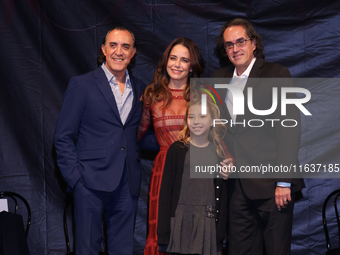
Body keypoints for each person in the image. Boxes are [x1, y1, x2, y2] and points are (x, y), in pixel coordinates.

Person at [212, 18, 305, 255]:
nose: (235, 49)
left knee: (276, 250)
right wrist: (220, 157)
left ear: (253, 43)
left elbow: (288, 129)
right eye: (229, 45)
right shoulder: (219, 78)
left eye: (240, 41)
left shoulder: (277, 73)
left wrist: (284, 181)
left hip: (273, 186)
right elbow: (217, 129)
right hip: (235, 188)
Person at [54, 27, 146, 255]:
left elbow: (139, 135)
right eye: (113, 45)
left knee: (123, 250)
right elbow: (63, 136)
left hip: (127, 183)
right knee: (86, 249)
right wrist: (76, 179)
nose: (119, 51)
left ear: (133, 52)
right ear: (103, 49)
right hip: (90, 182)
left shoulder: (142, 89)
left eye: (125, 46)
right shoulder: (82, 84)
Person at [138, 37, 205, 255]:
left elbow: (217, 137)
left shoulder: (203, 95)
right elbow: (136, 135)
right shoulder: (152, 95)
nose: (177, 64)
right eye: (173, 58)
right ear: (166, 61)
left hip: (197, 170)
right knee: (163, 233)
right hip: (164, 169)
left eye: (184, 60)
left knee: (196, 233)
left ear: (192, 66)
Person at [157, 95, 232, 255]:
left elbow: (222, 195)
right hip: (180, 219)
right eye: (191, 116)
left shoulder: (218, 153)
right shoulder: (177, 149)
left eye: (202, 116)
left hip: (207, 221)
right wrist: (164, 231)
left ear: (212, 121)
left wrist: (219, 230)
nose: (196, 121)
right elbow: (166, 192)